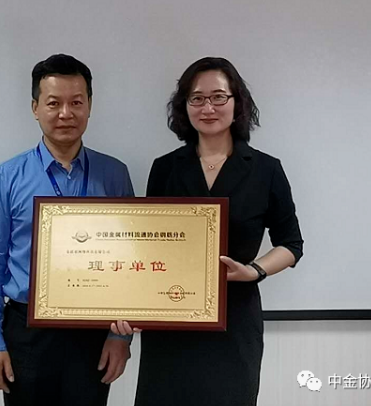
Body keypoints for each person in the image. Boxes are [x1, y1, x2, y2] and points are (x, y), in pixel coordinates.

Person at [114, 57, 304, 405]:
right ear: (184, 106)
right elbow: (148, 246)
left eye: (218, 97)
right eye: (197, 98)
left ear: (237, 103)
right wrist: (134, 305)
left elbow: (291, 244)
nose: (208, 108)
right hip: (171, 317)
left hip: (235, 318)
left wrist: (254, 271)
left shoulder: (266, 169)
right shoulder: (165, 168)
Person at [0, 54, 135, 406]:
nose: (65, 113)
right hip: (27, 332)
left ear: (89, 106)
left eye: (76, 102)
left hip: (93, 332)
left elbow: (128, 264)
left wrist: (120, 337)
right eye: (53, 103)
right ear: (35, 108)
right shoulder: (6, 177)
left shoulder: (114, 175)